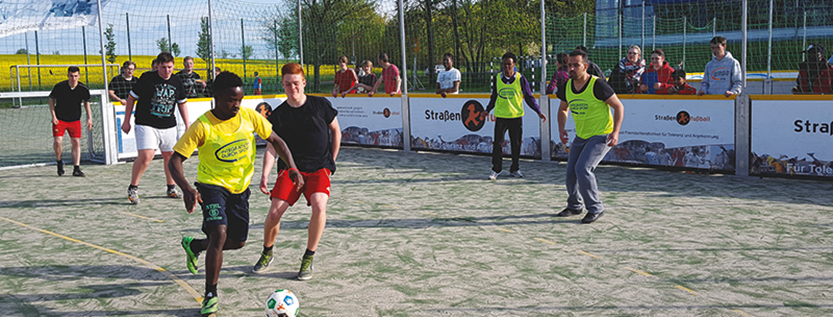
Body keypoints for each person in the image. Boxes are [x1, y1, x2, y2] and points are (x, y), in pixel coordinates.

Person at [172, 71, 303, 317]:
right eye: (232, 100)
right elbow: (175, 160)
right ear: (217, 97)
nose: (236, 105)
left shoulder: (249, 117)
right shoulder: (203, 125)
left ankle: (196, 245)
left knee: (238, 241)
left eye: (240, 100)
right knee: (219, 233)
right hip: (211, 186)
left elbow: (276, 140)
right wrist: (187, 187)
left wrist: (292, 166)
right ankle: (210, 294)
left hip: (240, 188)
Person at [252, 62, 342, 281]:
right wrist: (264, 175)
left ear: (303, 82)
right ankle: (267, 251)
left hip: (319, 168)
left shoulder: (321, 105)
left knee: (320, 206)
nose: (292, 88)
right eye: (287, 84)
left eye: (295, 83)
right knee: (274, 213)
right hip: (291, 171)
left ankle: (308, 257)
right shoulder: (279, 115)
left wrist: (331, 161)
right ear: (282, 85)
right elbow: (272, 147)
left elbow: (336, 131)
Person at [555, 49, 624, 224]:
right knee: (571, 172)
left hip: (601, 135)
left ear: (585, 66)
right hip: (581, 136)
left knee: (583, 168)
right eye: (569, 65)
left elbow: (619, 107)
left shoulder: (598, 85)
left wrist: (615, 132)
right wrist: (562, 128)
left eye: (575, 65)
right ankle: (575, 206)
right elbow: (563, 109)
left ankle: (595, 208)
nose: (571, 68)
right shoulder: (567, 87)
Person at [121, 52, 190, 204]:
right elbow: (131, 98)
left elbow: (182, 103)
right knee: (147, 156)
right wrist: (126, 121)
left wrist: (187, 124)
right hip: (146, 123)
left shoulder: (177, 81)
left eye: (170, 67)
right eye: (164, 67)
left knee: (170, 157)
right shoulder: (147, 78)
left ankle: (171, 187)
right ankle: (133, 187)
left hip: (168, 125)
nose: (167, 71)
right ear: (157, 66)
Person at [479, 52, 547, 180]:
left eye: (509, 64)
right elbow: (494, 97)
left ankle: (515, 168)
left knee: (516, 144)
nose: (506, 67)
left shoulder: (521, 79)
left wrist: (538, 111)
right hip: (501, 117)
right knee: (498, 144)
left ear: (514, 65)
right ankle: (496, 169)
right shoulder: (497, 78)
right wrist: (487, 110)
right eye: (504, 64)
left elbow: (528, 97)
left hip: (516, 116)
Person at [49, 66, 92, 177]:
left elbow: (86, 103)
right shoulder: (59, 87)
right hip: (60, 119)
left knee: (76, 142)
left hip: (75, 119)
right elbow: (51, 100)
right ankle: (59, 162)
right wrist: (53, 116)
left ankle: (76, 168)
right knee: (58, 141)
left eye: (76, 76)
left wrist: (89, 118)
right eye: (71, 76)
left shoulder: (83, 89)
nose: (74, 78)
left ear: (79, 76)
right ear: (68, 75)